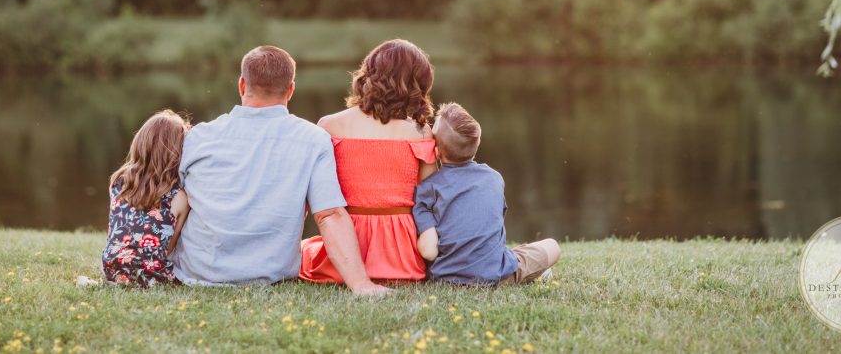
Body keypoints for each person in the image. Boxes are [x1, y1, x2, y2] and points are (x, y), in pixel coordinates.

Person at [172, 45, 388, 294]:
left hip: (196, 272)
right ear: (291, 90)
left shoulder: (199, 136)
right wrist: (361, 284)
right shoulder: (313, 140)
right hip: (269, 276)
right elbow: (330, 216)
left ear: (242, 85)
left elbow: (173, 204)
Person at [300, 39, 437, 283]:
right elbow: (430, 199)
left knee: (304, 250)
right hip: (402, 256)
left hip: (345, 246)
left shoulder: (330, 125)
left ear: (369, 75)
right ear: (417, 84)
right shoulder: (421, 132)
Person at [413, 102, 561, 286]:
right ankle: (534, 271)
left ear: (436, 151)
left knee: (514, 254)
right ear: (478, 143)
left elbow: (428, 252)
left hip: (446, 279)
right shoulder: (493, 178)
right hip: (495, 275)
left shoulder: (427, 189)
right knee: (552, 246)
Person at [101, 110, 191, 286]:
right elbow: (169, 249)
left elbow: (115, 231)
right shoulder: (180, 198)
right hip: (153, 277)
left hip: (110, 270)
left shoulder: (119, 182)